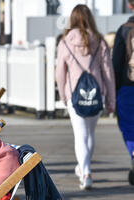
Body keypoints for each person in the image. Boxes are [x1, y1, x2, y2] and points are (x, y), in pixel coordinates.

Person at [56, 4, 116, 190]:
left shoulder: (65, 42)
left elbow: (59, 72)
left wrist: (62, 95)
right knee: (89, 134)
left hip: (74, 94)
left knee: (80, 135)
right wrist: (111, 99)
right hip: (96, 94)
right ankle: (84, 168)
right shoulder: (99, 40)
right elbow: (108, 72)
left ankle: (86, 172)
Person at [112, 0, 134, 185]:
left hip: (127, 87)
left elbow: (116, 63)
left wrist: (115, 90)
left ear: (129, 6)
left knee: (128, 127)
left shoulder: (123, 30)